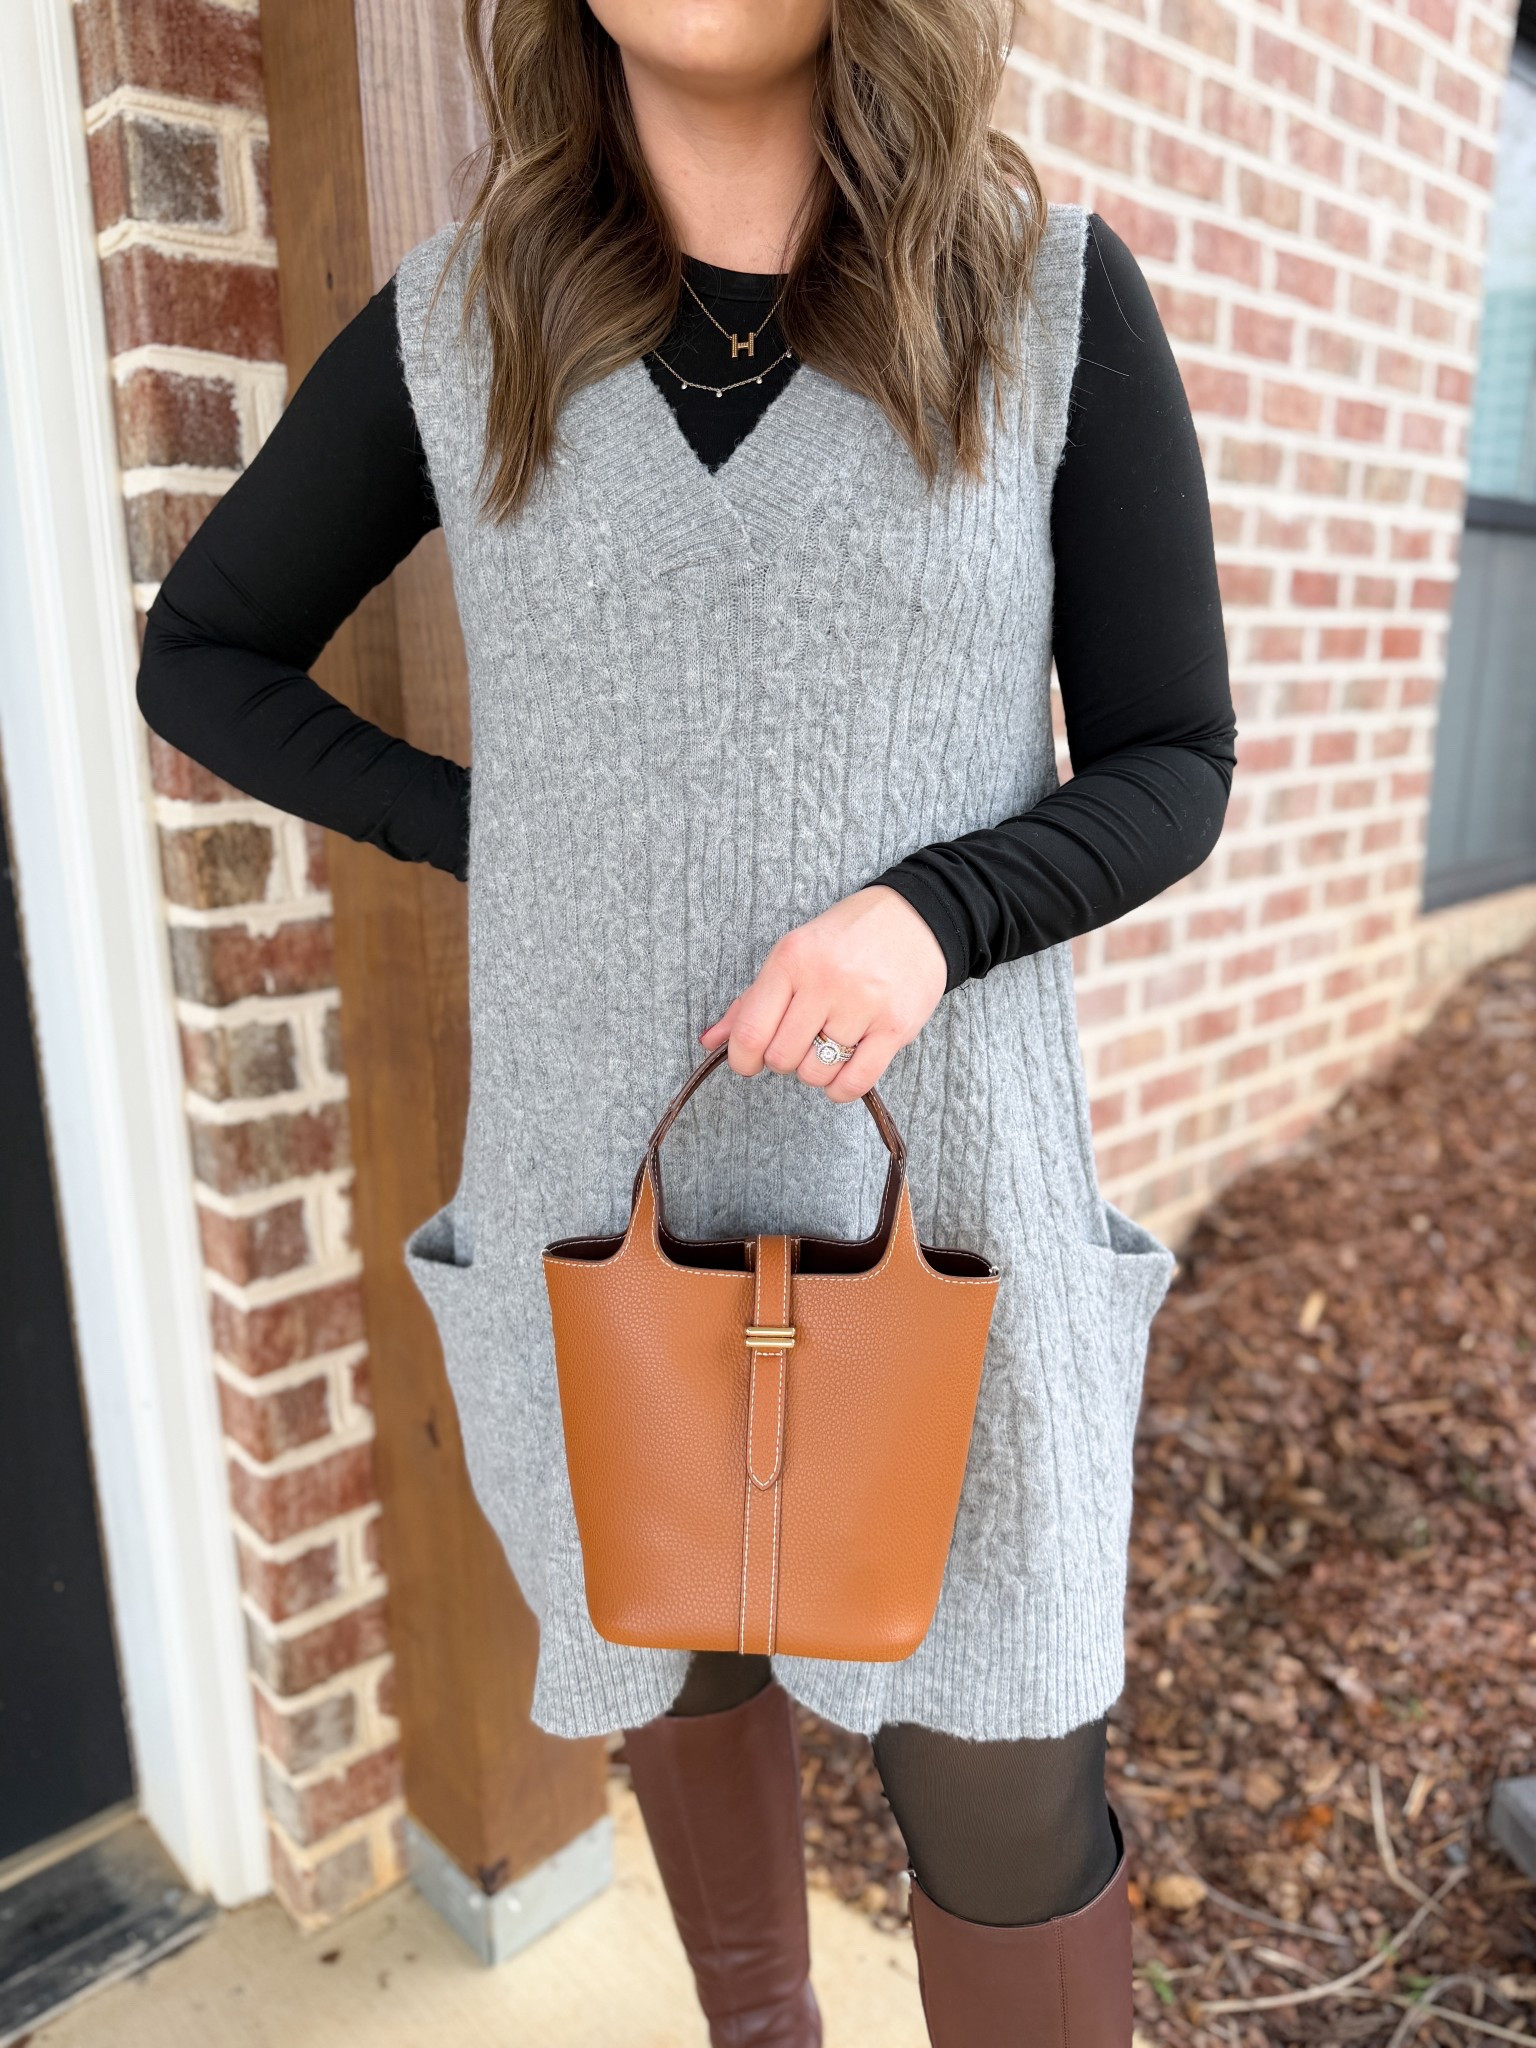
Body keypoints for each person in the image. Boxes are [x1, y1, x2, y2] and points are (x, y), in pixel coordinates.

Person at [135, 1, 1236, 2040]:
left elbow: (1174, 756)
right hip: (599, 1216)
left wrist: (938, 912)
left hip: (953, 1222)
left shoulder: (1050, 300)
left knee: (1009, 1782)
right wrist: (506, 836)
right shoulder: (462, 328)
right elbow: (202, 650)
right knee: (678, 1677)